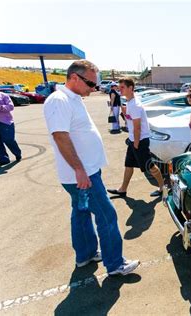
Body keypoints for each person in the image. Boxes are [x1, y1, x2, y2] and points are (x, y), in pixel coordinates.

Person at [43, 60, 139, 276]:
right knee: (107, 216)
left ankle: (85, 254)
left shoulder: (73, 98)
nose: (94, 88)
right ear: (74, 78)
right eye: (90, 83)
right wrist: (79, 170)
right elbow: (60, 136)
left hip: (85, 171)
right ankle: (115, 264)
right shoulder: (59, 100)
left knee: (81, 212)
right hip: (82, 175)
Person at [107, 77, 165, 198]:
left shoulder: (135, 105)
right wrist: (125, 113)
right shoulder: (130, 103)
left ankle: (162, 188)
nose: (120, 89)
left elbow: (137, 127)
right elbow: (131, 121)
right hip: (134, 140)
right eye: (119, 87)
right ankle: (123, 189)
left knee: (150, 166)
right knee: (128, 165)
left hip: (139, 141)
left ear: (131, 88)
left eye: (122, 87)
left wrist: (136, 144)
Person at [0, 92, 22, 166]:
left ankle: (17, 154)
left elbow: (11, 107)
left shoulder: (3, 95)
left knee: (9, 140)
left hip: (5, 122)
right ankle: (4, 159)